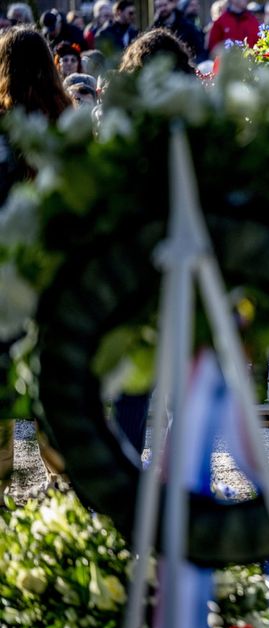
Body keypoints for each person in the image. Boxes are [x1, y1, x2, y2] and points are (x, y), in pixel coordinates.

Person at [0, 27, 73, 493]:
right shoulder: (67, 119)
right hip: (56, 273)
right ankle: (67, 489)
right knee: (53, 392)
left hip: (7, 273)